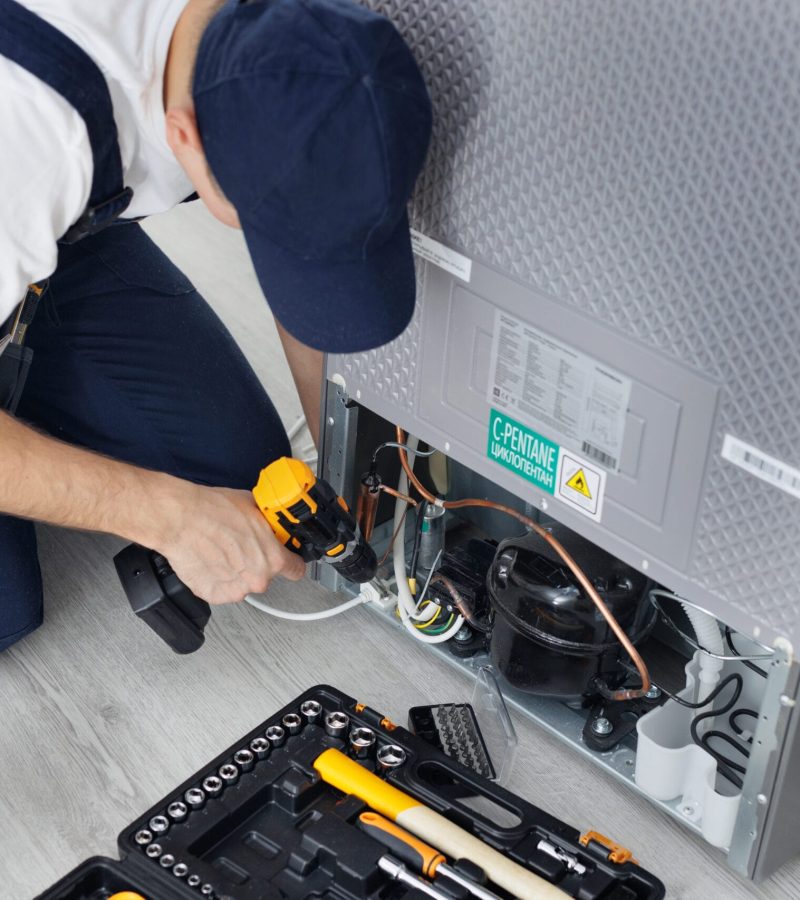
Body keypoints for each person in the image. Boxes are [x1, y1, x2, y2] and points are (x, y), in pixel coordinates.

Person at [0, 0, 432, 650]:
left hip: (59, 231)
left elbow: (301, 237)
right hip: (27, 172)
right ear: (184, 136)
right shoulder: (31, 141)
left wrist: (346, 465)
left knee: (238, 470)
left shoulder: (295, 51)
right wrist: (164, 514)